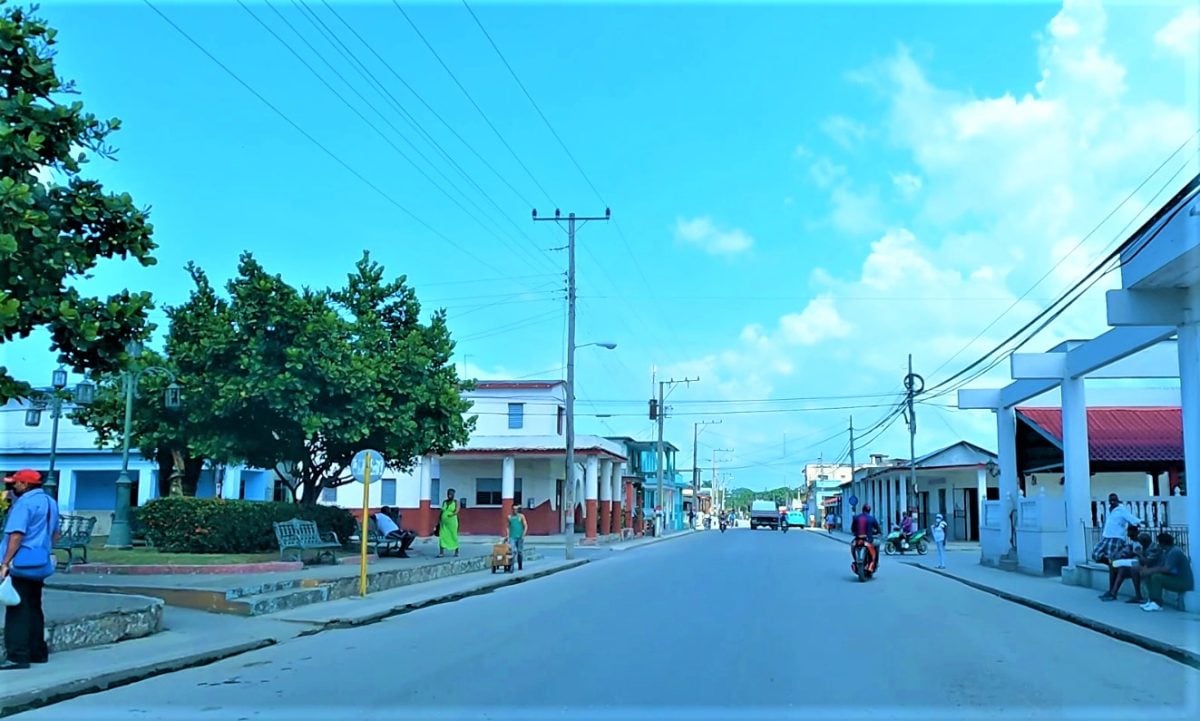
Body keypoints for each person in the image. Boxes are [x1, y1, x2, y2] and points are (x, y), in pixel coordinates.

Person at [1, 469, 60, 670]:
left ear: (25, 485)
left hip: (20, 563)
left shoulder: (24, 503)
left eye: (16, 483)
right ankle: (38, 652)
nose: (13, 487)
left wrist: (5, 563)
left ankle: (17, 656)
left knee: (17, 608)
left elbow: (16, 535)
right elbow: (56, 534)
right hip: (40, 562)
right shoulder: (50, 503)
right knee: (34, 606)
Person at [1091, 493, 1142, 599]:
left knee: (1112, 563)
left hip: (1116, 538)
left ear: (1118, 500)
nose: (1113, 502)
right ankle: (1110, 562)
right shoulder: (1110, 510)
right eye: (1111, 500)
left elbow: (1130, 518)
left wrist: (1139, 522)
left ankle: (1111, 591)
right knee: (1095, 554)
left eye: (1114, 500)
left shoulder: (1121, 510)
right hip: (1107, 536)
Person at [1139, 532, 1194, 612]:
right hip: (1174, 578)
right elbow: (1160, 565)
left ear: (1163, 544)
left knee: (1156, 577)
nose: (1157, 545)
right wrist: (1147, 570)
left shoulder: (1175, 552)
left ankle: (1157, 603)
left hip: (1183, 582)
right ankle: (1152, 600)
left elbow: (1167, 569)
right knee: (1150, 575)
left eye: (1159, 543)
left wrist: (1150, 570)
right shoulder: (1167, 552)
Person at [850, 504, 882, 574]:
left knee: (852, 546)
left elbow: (852, 529)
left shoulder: (856, 518)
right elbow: (878, 529)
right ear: (869, 511)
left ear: (862, 509)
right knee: (878, 544)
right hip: (869, 540)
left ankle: (856, 561)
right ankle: (875, 562)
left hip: (857, 540)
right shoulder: (872, 518)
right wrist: (878, 533)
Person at [437, 489, 460, 558]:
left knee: (453, 536)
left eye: (451, 494)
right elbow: (441, 511)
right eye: (448, 493)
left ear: (454, 494)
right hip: (443, 523)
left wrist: (452, 514)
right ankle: (441, 552)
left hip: (452, 523)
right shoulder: (444, 502)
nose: (450, 495)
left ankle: (456, 551)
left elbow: (457, 511)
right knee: (442, 536)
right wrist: (439, 520)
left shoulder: (456, 502)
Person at [506, 503, 528, 571]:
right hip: (512, 537)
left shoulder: (521, 516)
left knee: (519, 552)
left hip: (520, 537)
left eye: (516, 509)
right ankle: (511, 566)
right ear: (512, 509)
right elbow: (508, 527)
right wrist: (507, 535)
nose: (515, 510)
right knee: (512, 551)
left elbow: (525, 526)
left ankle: (520, 565)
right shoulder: (509, 517)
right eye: (514, 509)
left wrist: (523, 535)